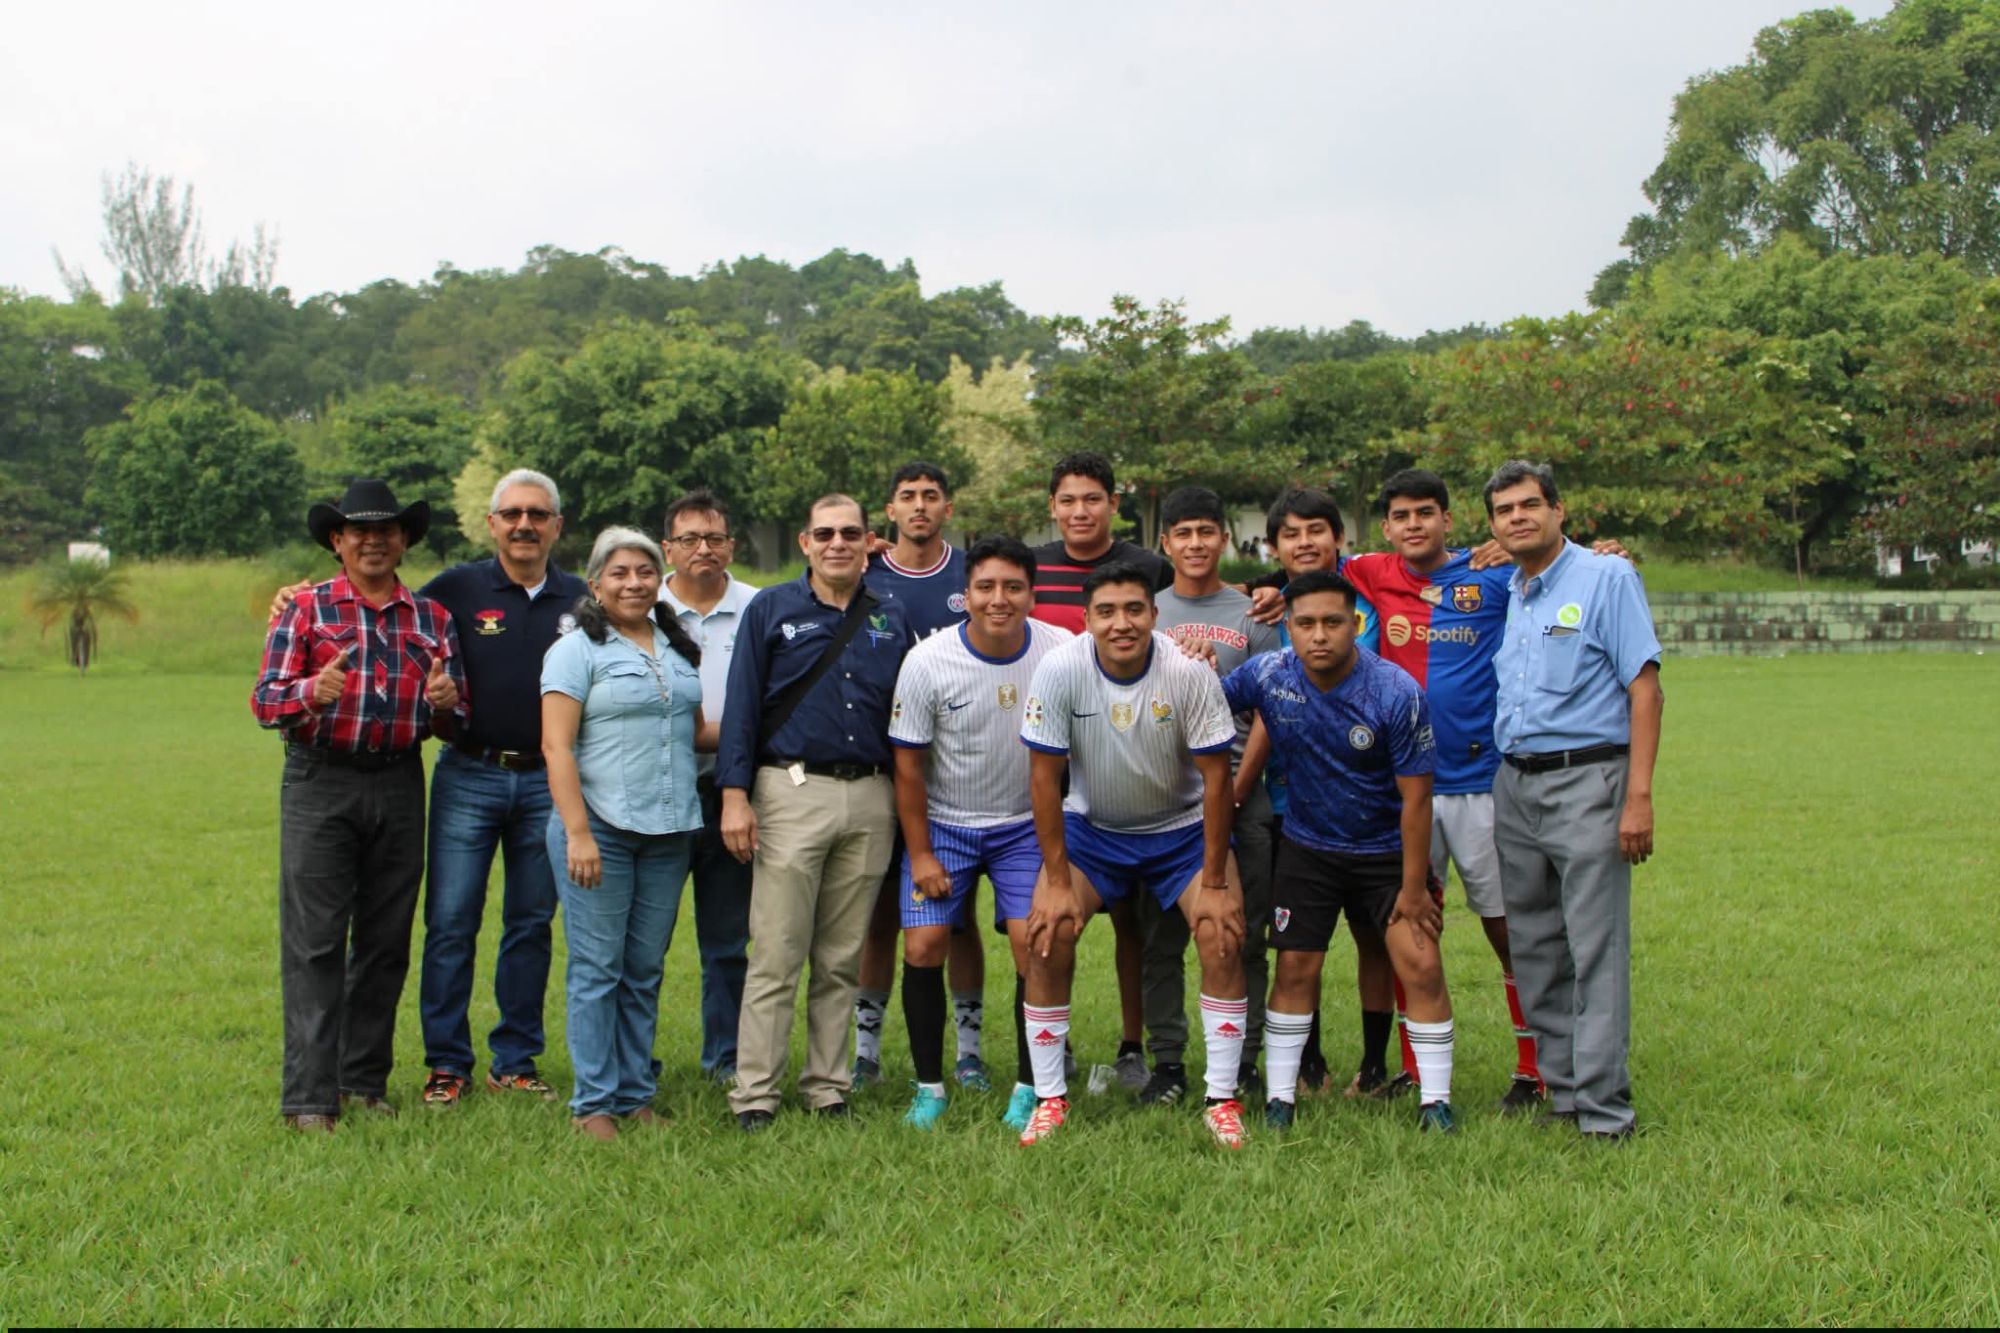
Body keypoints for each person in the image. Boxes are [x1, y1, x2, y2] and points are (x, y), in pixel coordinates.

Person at [272, 468, 587, 1109]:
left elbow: (643, 617)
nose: (524, 525)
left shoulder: (574, 599)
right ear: (492, 523)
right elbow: (277, 687)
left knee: (520, 924)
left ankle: (506, 1062)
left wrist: (444, 703)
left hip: (526, 780)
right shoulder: (451, 592)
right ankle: (429, 1068)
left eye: (538, 514)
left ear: (556, 525)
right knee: (440, 923)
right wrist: (303, 653)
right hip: (448, 776)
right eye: (512, 514)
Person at [251, 479, 467, 1132]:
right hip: (322, 781)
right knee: (315, 943)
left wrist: (445, 706)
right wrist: (312, 691)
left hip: (401, 779)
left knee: (385, 941)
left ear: (404, 540)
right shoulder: (307, 609)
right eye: (359, 531)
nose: (374, 540)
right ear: (337, 541)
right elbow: (266, 700)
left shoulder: (431, 620)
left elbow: (457, 722)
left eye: (387, 529)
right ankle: (311, 1098)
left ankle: (364, 1080)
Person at [1016, 563, 1251, 1149]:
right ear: (1087, 619)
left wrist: (1216, 879)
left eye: (1135, 610)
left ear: (1154, 614)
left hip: (1181, 831)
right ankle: (1049, 1101)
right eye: (1106, 612)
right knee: (1048, 932)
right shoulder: (1061, 668)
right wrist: (1055, 877)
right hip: (1095, 830)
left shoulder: (1188, 670)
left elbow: (1218, 782)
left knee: (1222, 931)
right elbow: (1044, 781)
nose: (1122, 623)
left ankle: (1221, 1099)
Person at [1337, 468, 1546, 1113]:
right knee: (1410, 921)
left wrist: (1600, 546)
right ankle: (1412, 1067)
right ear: (1387, 528)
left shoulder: (1492, 575)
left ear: (1448, 520)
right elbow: (1309, 563)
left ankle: (1534, 1068)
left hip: (1478, 784)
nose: (1413, 526)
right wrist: (1252, 591)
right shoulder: (1371, 572)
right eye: (1400, 516)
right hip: (1402, 792)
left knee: (1504, 926)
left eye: (1425, 513)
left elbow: (1563, 565)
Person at [1219, 570, 1456, 1132]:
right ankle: (1281, 1099)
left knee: (1420, 961)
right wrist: (1189, 656)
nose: (1318, 635)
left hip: (1386, 853)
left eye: (1332, 622)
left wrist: (1415, 885)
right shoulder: (1268, 675)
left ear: (1355, 625)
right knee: (1296, 966)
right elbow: (1202, 699)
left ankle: (1436, 1102)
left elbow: (1417, 799)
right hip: (1308, 849)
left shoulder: (1396, 692)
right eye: (1304, 624)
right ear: (1289, 630)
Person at [719, 495, 914, 1131]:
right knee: (776, 950)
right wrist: (734, 795)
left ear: (869, 542)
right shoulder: (771, 609)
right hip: (790, 791)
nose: (838, 543)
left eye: (850, 533)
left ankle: (828, 1086)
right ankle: (755, 1094)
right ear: (805, 542)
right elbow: (742, 708)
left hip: (872, 795)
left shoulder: (890, 613)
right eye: (825, 533)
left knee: (840, 955)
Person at [1484, 461, 1663, 1142]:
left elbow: (1644, 688)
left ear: (1560, 510)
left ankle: (1605, 1109)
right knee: (1533, 944)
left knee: (1596, 947)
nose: (1518, 517)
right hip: (1516, 783)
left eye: (1531, 504)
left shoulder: (1606, 577)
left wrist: (1638, 796)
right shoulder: (1512, 588)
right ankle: (1564, 1089)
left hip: (1590, 778)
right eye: (1504, 510)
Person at [887, 536, 1071, 1130]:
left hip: (1025, 828)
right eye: (986, 587)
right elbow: (908, 766)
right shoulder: (928, 661)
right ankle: (929, 1087)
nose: (999, 599)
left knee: (1034, 947)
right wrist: (920, 854)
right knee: (923, 946)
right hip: (946, 825)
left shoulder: (1059, 651)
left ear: (1031, 594)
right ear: (964, 595)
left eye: (1013, 587)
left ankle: (1030, 1086)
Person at [541, 527, 713, 1140]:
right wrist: (578, 834)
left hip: (669, 828)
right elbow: (556, 746)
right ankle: (593, 1104)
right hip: (600, 829)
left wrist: (773, 720)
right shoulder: (575, 650)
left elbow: (695, 732)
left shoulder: (675, 643)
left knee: (643, 968)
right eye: (619, 573)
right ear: (595, 584)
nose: (634, 583)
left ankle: (636, 1093)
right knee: (597, 968)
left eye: (644, 571)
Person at [1134, 486, 1282, 1110]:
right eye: (1182, 534)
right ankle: (1167, 1061)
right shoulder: (1147, 610)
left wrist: (1242, 789)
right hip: (1160, 802)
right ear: (1164, 543)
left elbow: (1275, 706)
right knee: (1159, 937)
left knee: (1240, 933)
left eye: (1206, 531)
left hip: (1242, 795)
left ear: (1224, 537)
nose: (1195, 544)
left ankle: (1243, 1059)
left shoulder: (1255, 612)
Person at [1027, 451, 1170, 1087]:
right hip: (1052, 762)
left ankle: (1133, 1045)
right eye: (1067, 500)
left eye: (1092, 499)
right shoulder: (1033, 568)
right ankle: (1046, 1055)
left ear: (1114, 503)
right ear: (1052, 506)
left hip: (1133, 761)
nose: (1079, 511)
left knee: (1135, 923)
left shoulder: (1149, 569)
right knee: (1046, 913)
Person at [1238, 486, 1385, 1097]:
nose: (1305, 543)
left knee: (1375, 936)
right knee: (1299, 937)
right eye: (1291, 534)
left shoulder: (1367, 599)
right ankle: (1309, 1062)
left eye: (1316, 530)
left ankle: (1376, 1067)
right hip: (1285, 803)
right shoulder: (1266, 606)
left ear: (1340, 538)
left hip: (1366, 801)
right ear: (1275, 547)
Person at [850, 462, 990, 1093]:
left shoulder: (971, 574)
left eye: (931, 496)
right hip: (887, 767)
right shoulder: (865, 574)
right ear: (889, 510)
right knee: (880, 917)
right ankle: (866, 1052)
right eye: (907, 496)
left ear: (948, 509)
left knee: (956, 920)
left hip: (964, 773)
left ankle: (969, 1051)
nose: (919, 506)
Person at [657, 489, 758, 1084]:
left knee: (727, 941)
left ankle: (727, 1061)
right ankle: (632, 1065)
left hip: (732, 793)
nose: (703, 549)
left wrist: (711, 738)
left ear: (731, 546)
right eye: (690, 539)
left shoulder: (760, 608)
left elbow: (771, 706)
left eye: (714, 538)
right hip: (656, 794)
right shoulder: (642, 605)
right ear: (669, 547)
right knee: (644, 943)